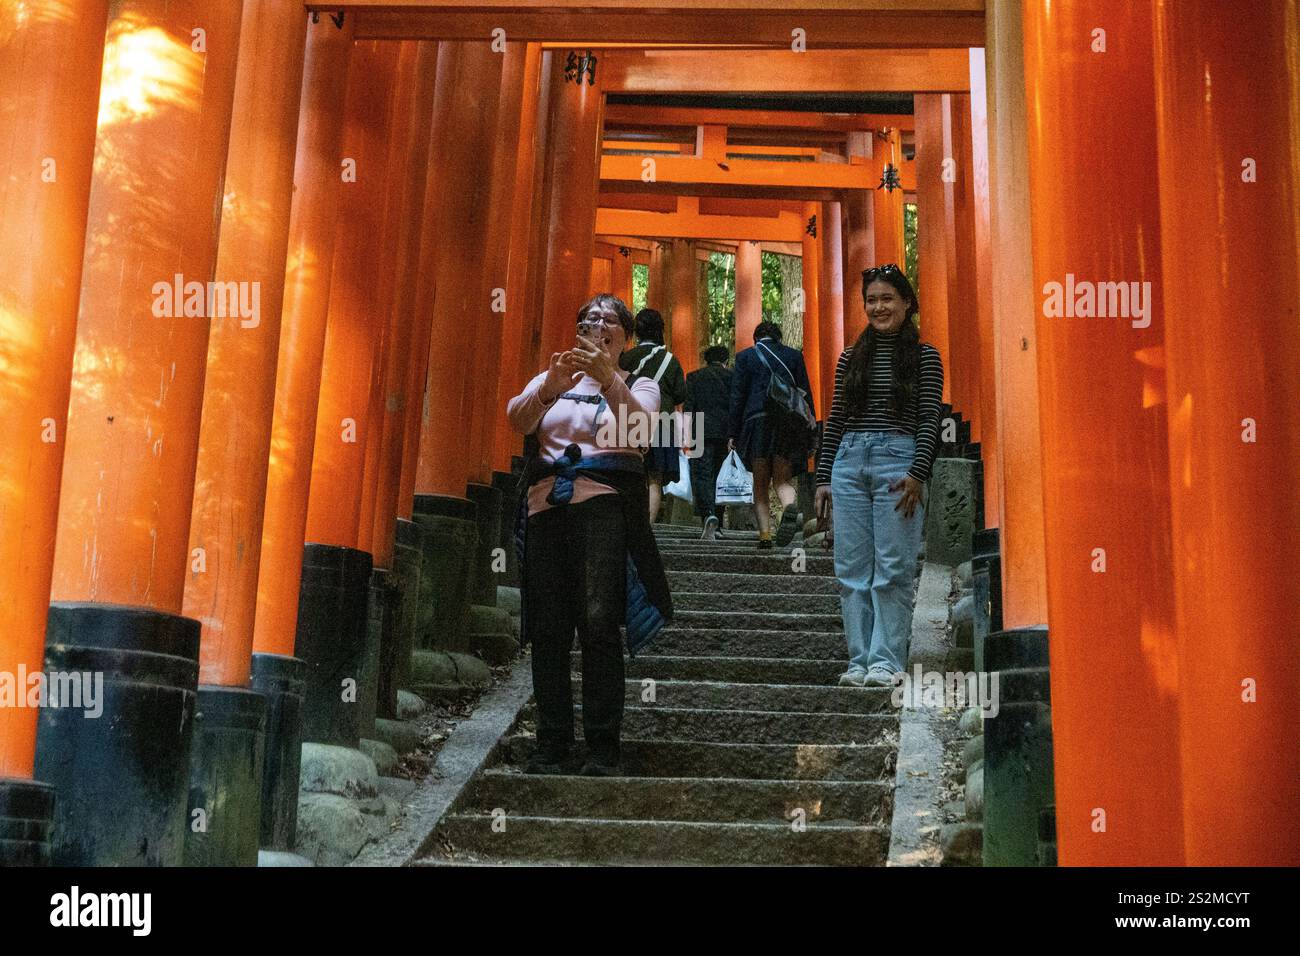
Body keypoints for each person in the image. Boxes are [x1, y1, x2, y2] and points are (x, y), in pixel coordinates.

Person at [507, 293, 673, 775]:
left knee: (599, 625)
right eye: (588, 319)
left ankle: (602, 746)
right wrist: (549, 389)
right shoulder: (552, 377)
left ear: (626, 338)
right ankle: (552, 743)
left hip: (603, 510)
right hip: (546, 509)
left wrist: (608, 382)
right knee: (549, 629)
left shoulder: (640, 384)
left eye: (608, 321)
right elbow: (517, 419)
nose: (596, 326)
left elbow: (642, 433)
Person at [814, 265, 944, 688]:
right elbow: (836, 418)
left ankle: (885, 660)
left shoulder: (925, 356)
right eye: (871, 299)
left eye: (888, 298)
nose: (878, 306)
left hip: (898, 461)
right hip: (850, 462)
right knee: (851, 568)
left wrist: (918, 472)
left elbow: (929, 419)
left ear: (907, 303)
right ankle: (859, 660)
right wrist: (823, 475)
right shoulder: (851, 356)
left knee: (892, 567)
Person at [728, 321, 815, 549]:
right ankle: (788, 508)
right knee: (782, 480)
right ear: (779, 338)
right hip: (786, 425)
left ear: (756, 338)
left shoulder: (745, 357)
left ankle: (765, 535)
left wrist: (733, 433)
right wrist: (811, 427)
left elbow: (737, 396)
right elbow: (804, 393)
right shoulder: (793, 356)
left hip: (756, 423)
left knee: (760, 484)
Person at [618, 308, 687, 523]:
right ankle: (647, 527)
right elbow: (679, 395)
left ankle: (627, 524)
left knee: (628, 473)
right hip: (662, 422)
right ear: (660, 330)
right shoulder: (670, 360)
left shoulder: (626, 358)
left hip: (629, 420)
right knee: (654, 479)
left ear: (636, 332)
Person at [684, 344, 733, 540]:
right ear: (725, 361)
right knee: (720, 476)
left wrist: (686, 433)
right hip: (724, 432)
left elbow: (689, 407)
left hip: (700, 430)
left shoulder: (694, 377)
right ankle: (718, 522)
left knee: (702, 474)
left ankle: (708, 515)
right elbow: (735, 405)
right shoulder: (732, 377)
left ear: (706, 360)